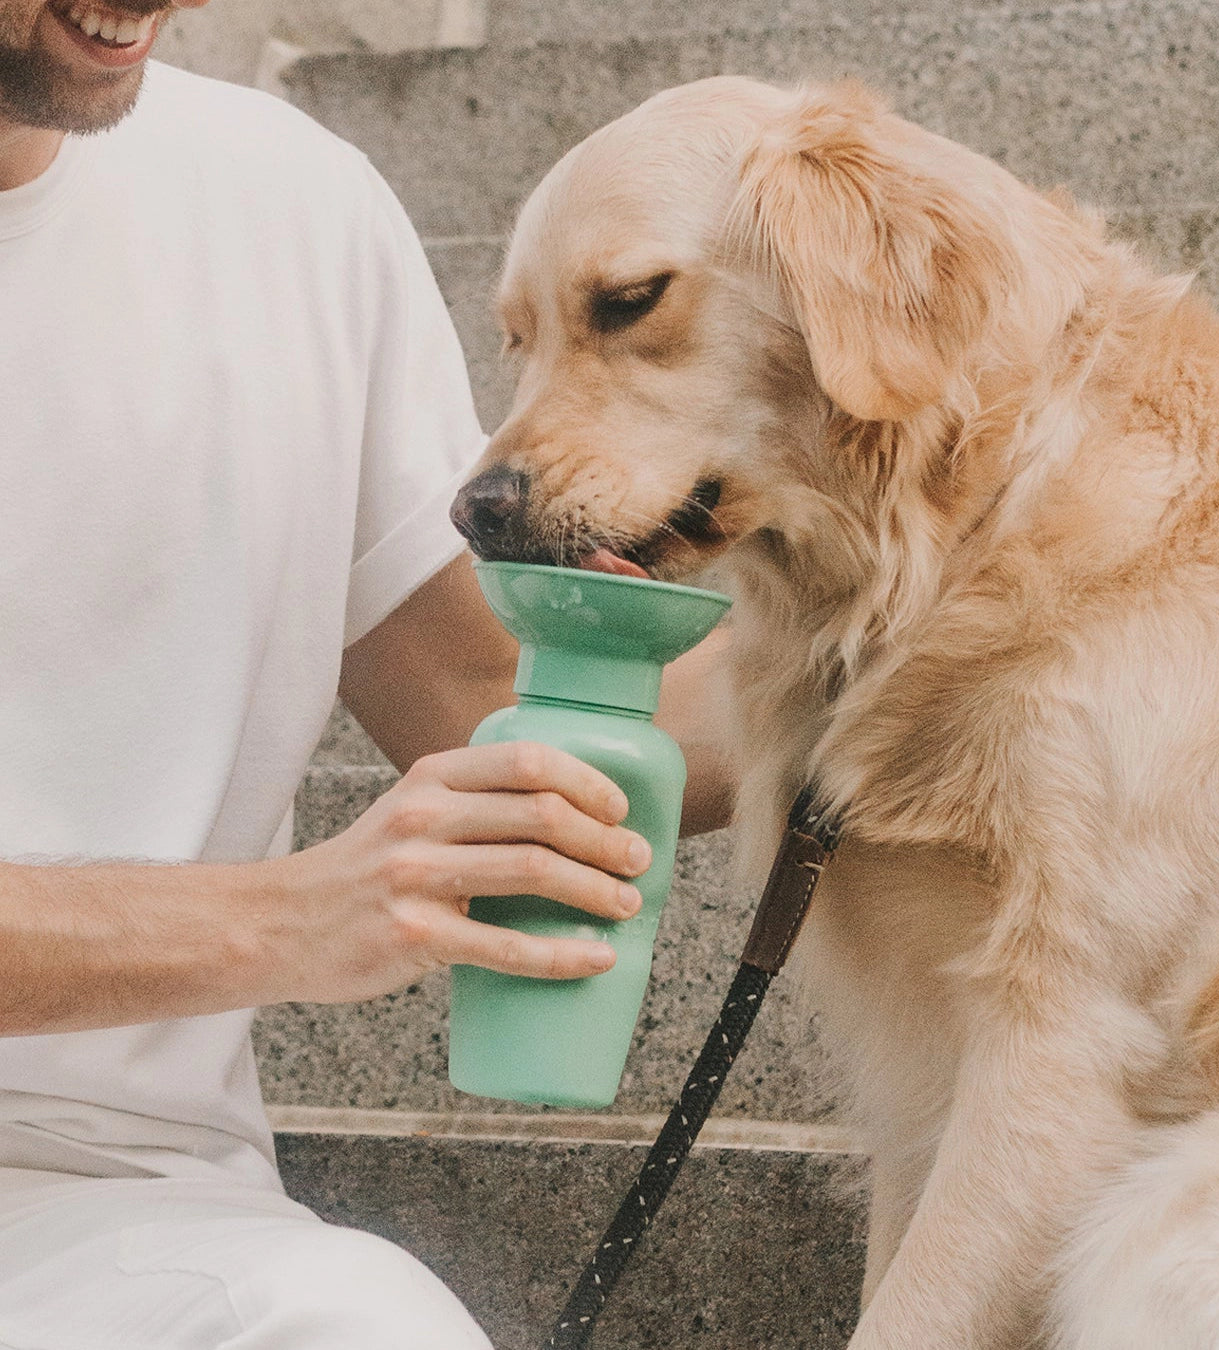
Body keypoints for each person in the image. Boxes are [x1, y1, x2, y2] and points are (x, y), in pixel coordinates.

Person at [0, 2, 729, 1345]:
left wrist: (906, 655)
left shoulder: (288, 205)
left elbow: (476, 695)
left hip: (110, 1213)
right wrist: (284, 918)